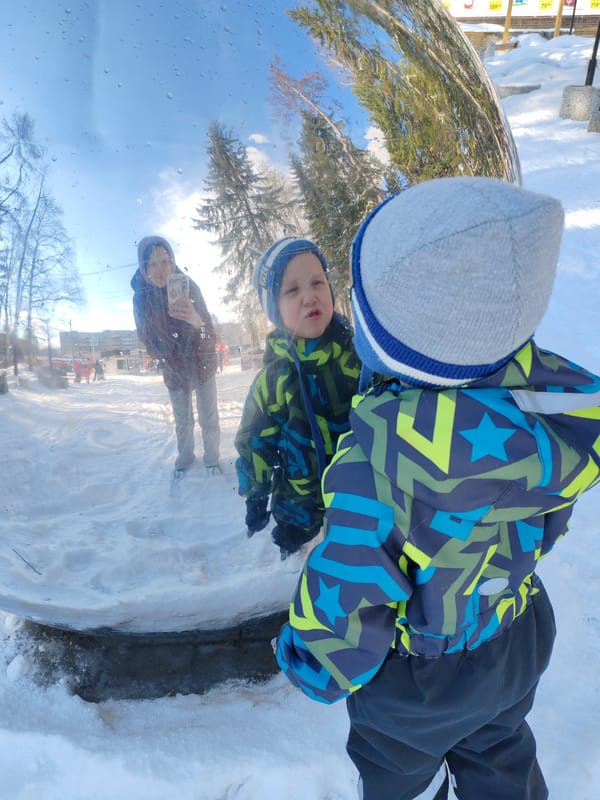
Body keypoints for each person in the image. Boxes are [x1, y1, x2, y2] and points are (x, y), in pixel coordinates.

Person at [274, 177, 600, 799]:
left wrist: (307, 661)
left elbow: (346, 595)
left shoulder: (378, 463)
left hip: (417, 688)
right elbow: (546, 520)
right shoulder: (552, 405)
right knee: (501, 746)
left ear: (389, 340)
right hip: (517, 638)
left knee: (398, 771)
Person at [235, 237, 361, 559]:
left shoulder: (359, 359)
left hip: (362, 499)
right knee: (303, 569)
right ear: (274, 309)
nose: (309, 296)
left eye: (317, 282)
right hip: (298, 509)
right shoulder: (273, 381)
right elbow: (254, 443)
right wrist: (255, 494)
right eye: (292, 290)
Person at [131, 235, 220, 476]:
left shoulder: (189, 286)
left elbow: (208, 333)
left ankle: (212, 459)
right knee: (183, 419)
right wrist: (165, 358)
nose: (160, 270)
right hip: (173, 366)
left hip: (203, 360)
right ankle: (185, 457)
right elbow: (146, 337)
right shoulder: (141, 298)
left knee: (208, 414)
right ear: (143, 267)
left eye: (164, 261)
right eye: (152, 264)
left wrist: (196, 321)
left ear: (172, 261)